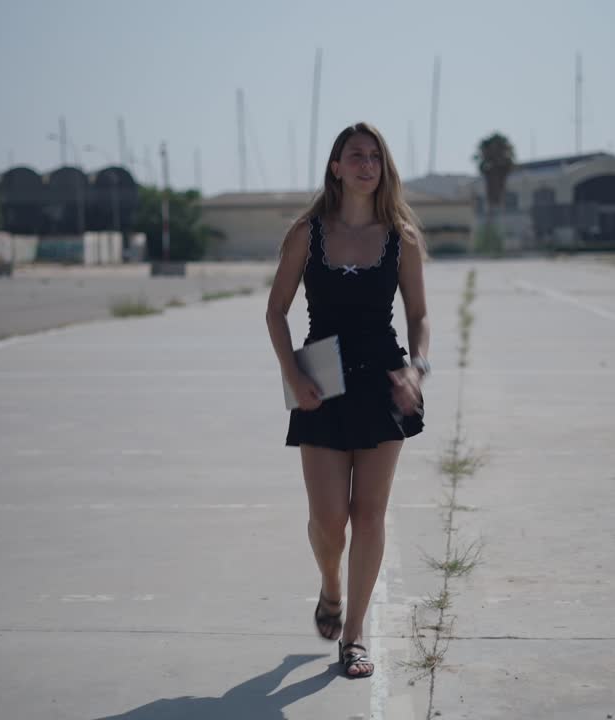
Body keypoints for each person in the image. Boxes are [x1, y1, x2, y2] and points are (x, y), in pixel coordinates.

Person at [265, 122, 430, 679]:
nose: (366, 164)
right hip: (321, 382)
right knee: (329, 520)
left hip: (384, 383)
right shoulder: (306, 233)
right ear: (335, 167)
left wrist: (417, 369)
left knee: (370, 513)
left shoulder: (401, 235)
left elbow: (419, 317)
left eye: (375, 157)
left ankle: (353, 637)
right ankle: (330, 585)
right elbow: (276, 311)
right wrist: (291, 372)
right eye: (355, 155)